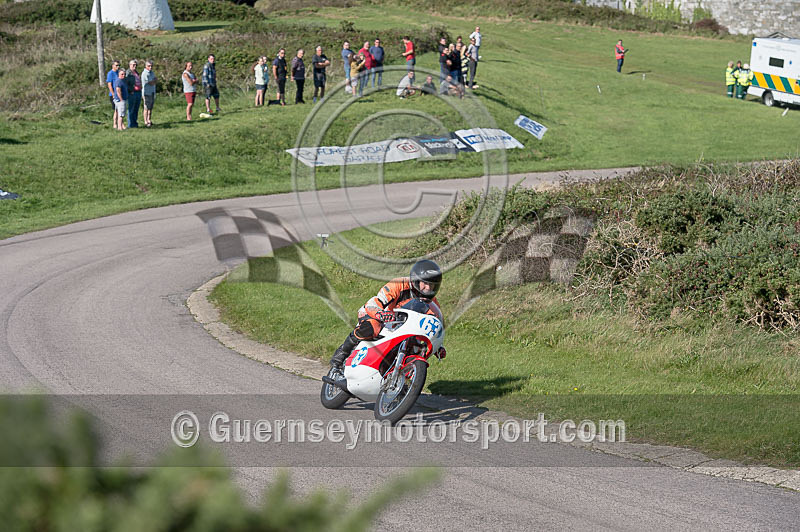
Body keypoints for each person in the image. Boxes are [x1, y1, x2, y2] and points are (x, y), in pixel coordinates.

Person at [329, 260, 445, 372]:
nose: (428, 288)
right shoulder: (399, 284)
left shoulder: (433, 303)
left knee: (417, 346)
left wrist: (437, 346)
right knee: (372, 327)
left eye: (432, 285)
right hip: (381, 318)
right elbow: (376, 301)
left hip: (402, 328)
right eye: (425, 283)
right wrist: (381, 314)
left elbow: (432, 326)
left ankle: (401, 379)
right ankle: (341, 356)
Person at [124, 59, 142, 128]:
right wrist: (130, 90)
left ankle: (135, 123)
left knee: (136, 108)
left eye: (135, 65)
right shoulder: (128, 73)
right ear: (130, 65)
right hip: (132, 92)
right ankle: (130, 124)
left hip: (138, 92)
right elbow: (126, 83)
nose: (134, 66)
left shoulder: (136, 72)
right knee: (131, 109)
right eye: (133, 65)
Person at [141, 60, 157, 127]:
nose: (150, 67)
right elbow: (151, 82)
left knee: (150, 108)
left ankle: (149, 119)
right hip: (146, 92)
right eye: (149, 66)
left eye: (151, 66)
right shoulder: (145, 73)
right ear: (146, 66)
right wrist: (154, 81)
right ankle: (145, 121)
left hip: (152, 91)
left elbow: (155, 80)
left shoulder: (152, 73)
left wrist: (154, 81)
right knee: (146, 107)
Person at [105, 60, 121, 129]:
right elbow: (109, 85)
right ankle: (115, 123)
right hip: (113, 94)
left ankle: (119, 123)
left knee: (119, 110)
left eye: (118, 65)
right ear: (113, 66)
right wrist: (113, 94)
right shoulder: (110, 73)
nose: (118, 67)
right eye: (116, 65)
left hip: (119, 93)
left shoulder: (119, 73)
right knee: (116, 110)